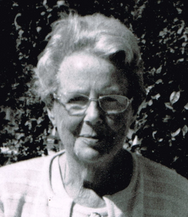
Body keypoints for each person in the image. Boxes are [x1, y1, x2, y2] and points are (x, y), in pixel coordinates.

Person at [0, 12, 188, 217]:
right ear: (50, 108)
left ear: (133, 109)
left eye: (111, 100)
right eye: (77, 100)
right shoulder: (8, 194)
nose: (93, 116)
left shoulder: (178, 198)